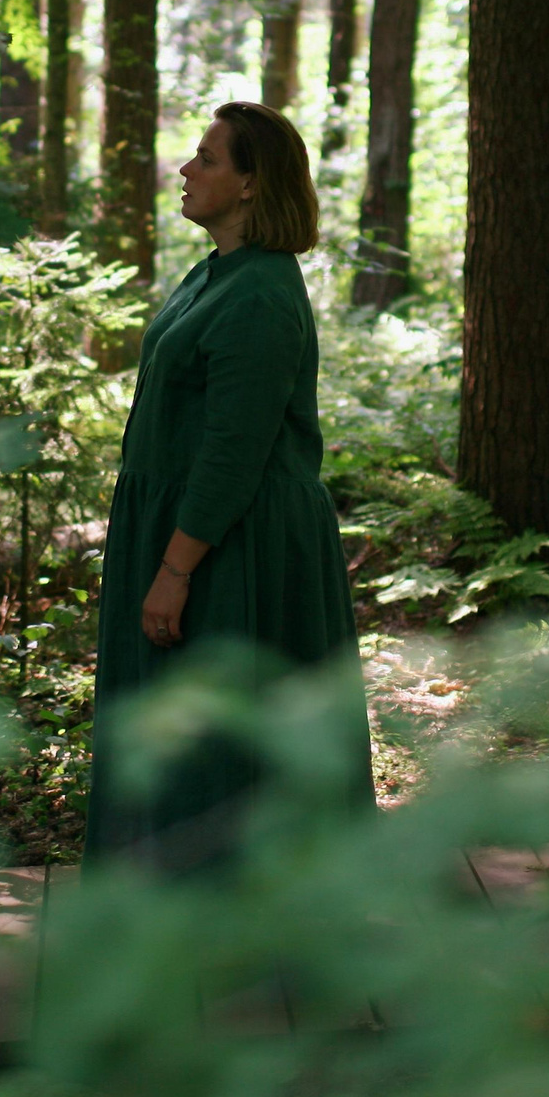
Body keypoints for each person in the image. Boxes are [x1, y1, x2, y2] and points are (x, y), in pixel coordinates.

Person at [84, 101, 373, 867]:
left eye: (207, 158)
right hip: (193, 527)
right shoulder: (214, 275)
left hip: (233, 544)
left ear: (251, 184)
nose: (186, 169)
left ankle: (235, 924)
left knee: (222, 735)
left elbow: (233, 451)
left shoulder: (260, 294)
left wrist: (176, 569)